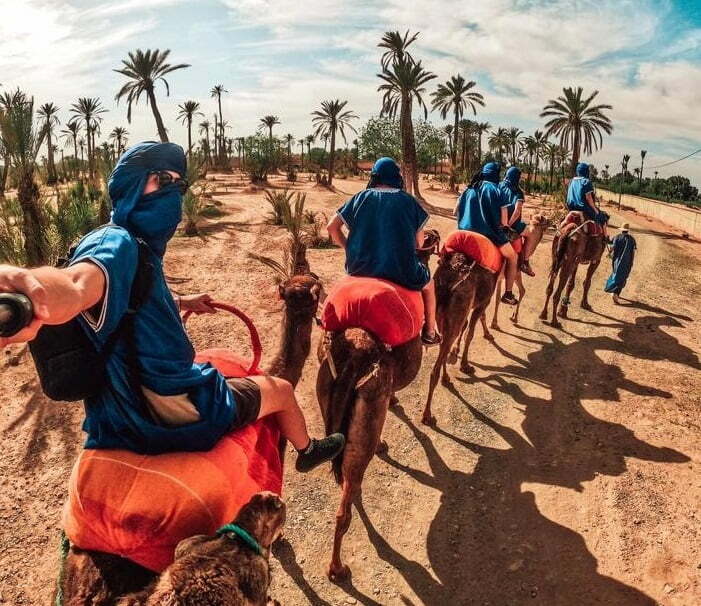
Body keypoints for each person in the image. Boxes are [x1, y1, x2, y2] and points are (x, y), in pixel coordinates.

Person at [0, 141, 344, 471]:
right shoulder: (115, 242)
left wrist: (182, 301)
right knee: (280, 390)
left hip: (115, 415)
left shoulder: (138, 248)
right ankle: (308, 450)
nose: (174, 194)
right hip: (174, 408)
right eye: (163, 180)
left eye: (180, 186)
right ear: (132, 185)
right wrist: (28, 293)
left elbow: (131, 304)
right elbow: (77, 285)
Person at [326, 157, 441, 345]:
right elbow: (419, 243)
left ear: (374, 176)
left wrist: (349, 248)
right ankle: (429, 332)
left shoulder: (360, 198)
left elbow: (331, 227)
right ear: (396, 177)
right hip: (401, 271)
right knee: (429, 285)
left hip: (360, 268)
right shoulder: (408, 201)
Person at [454, 162, 519, 305]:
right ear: (496, 174)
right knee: (513, 257)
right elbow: (504, 222)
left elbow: (455, 211)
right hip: (490, 235)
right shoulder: (497, 190)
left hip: (463, 234)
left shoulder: (468, 188)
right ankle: (508, 294)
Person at [498, 166, 536, 277]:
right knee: (531, 234)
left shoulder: (499, 186)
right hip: (513, 225)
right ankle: (525, 262)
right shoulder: (518, 192)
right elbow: (517, 211)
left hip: (497, 222)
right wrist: (508, 226)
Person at [565, 162, 609, 236]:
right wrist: (595, 209)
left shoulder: (571, 181)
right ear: (586, 171)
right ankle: (605, 237)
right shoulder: (586, 182)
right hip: (583, 208)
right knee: (602, 218)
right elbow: (589, 199)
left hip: (570, 208)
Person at [604, 223, 636, 304]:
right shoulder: (632, 239)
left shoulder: (617, 237)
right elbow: (633, 252)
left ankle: (614, 292)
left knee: (616, 275)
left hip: (617, 261)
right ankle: (616, 293)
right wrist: (632, 262)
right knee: (623, 277)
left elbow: (612, 246)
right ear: (627, 231)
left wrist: (609, 252)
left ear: (621, 230)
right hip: (627, 262)